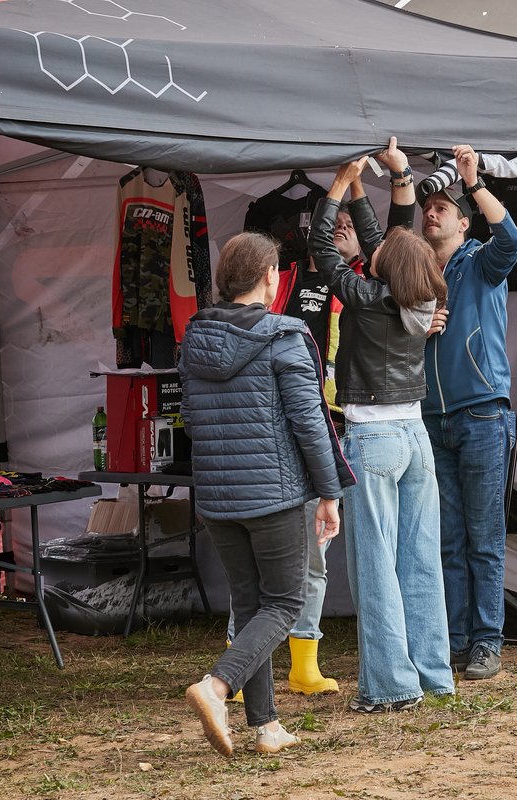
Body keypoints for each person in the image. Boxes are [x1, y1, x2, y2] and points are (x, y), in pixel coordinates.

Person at [180, 232, 353, 757]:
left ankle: (267, 726)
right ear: (270, 277)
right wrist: (329, 492)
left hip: (216, 497)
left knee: (251, 603)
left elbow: (189, 418)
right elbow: (311, 422)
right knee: (284, 603)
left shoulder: (195, 336)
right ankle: (216, 687)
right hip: (272, 495)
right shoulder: (285, 335)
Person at [308, 154, 454, 713]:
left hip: (373, 439)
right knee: (421, 560)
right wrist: (365, 190)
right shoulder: (417, 294)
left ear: (383, 267)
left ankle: (391, 686)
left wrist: (337, 188)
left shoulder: (367, 298)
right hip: (415, 436)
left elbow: (324, 251)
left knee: (376, 566)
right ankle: (433, 673)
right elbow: (384, 244)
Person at [379, 138, 517, 681]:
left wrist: (474, 182)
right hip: (430, 419)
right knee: (446, 539)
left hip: (482, 412)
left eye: (441, 208)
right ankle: (455, 639)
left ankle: (487, 641)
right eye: (427, 209)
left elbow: (511, 239)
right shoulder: (413, 275)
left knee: (483, 537)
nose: (430, 214)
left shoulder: (481, 262)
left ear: (463, 223)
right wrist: (417, 332)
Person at [224, 206, 365, 697]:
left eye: (350, 224)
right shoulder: (279, 284)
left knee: (313, 557)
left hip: (333, 425)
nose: (340, 228)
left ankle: (304, 665)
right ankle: (239, 665)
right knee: (255, 564)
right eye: (332, 222)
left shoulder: (361, 286)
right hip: (276, 439)